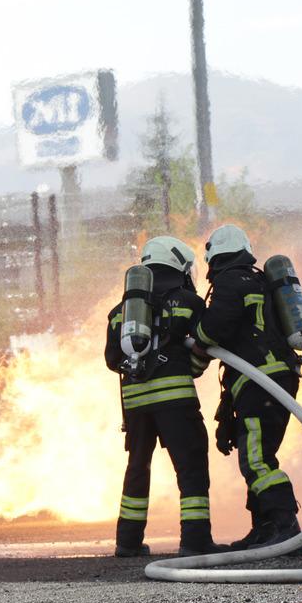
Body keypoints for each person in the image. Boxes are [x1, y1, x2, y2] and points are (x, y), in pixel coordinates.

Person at [105, 236, 223, 558]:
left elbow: (112, 359)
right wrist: (191, 366)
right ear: (178, 264)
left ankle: (127, 542)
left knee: (138, 468)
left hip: (136, 404)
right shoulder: (188, 301)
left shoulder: (121, 312)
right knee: (191, 467)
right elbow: (205, 343)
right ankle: (195, 541)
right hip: (175, 401)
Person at [191, 224, 302, 552]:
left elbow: (215, 329)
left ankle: (287, 525)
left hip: (260, 380)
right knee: (258, 451)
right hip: (273, 377)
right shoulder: (259, 278)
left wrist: (196, 336)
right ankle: (264, 528)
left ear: (214, 256)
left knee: (255, 458)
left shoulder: (230, 280)